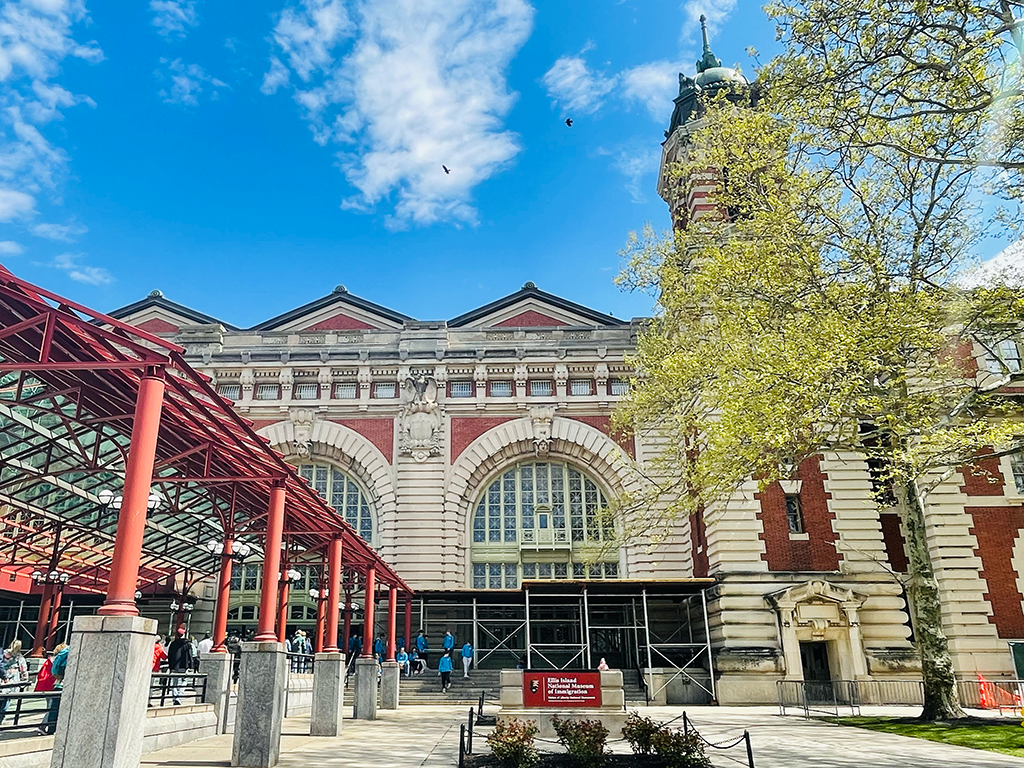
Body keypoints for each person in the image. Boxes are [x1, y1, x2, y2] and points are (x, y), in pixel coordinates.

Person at [36, 643, 67, 735]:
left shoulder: (56, 659)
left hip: (54, 685)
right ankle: (46, 727)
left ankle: (49, 727)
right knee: (53, 708)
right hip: (60, 685)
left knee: (52, 707)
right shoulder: (66, 657)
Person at [0, 639, 27, 723]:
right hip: (13, 679)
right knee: (7, 699)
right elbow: (23, 668)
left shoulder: (4, 653)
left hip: (2, 676)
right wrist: (25, 679)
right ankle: (1, 717)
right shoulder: (19, 656)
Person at [167, 626, 194, 705]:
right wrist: (191, 666)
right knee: (184, 681)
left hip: (175, 665)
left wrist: (170, 665)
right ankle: (179, 696)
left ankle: (175, 697)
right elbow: (190, 655)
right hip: (184, 665)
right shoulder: (188, 644)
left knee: (174, 682)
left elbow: (170, 655)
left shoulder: (173, 644)